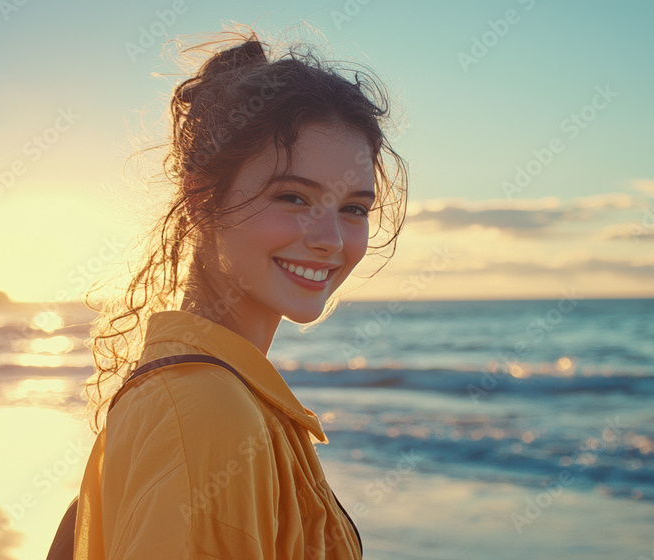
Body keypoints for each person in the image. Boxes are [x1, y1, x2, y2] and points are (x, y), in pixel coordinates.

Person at [71, 30, 407, 559]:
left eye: (355, 208)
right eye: (294, 197)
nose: (330, 240)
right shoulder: (207, 413)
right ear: (202, 200)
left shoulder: (208, 391)